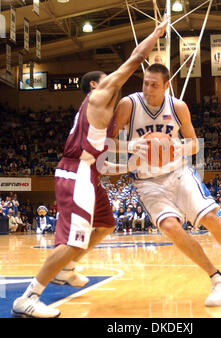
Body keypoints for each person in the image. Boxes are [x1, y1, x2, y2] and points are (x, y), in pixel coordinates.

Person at [11, 16, 169, 318]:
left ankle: (67, 267)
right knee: (73, 240)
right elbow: (136, 59)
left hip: (89, 171)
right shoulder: (99, 95)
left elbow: (101, 151)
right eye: (108, 76)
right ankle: (29, 296)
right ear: (96, 85)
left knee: (107, 223)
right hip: (77, 173)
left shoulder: (101, 119)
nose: (115, 79)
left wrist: (131, 148)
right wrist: (157, 32)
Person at [111, 63, 221, 308]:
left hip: (178, 172)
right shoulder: (128, 104)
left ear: (166, 85)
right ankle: (217, 279)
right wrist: (130, 146)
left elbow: (194, 144)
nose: (148, 89)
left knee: (210, 218)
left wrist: (178, 148)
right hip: (147, 181)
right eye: (145, 83)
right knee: (170, 227)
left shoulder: (178, 106)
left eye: (154, 84)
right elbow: (106, 140)